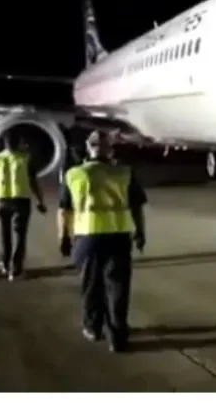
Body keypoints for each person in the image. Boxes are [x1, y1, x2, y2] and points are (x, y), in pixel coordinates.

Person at [57, 130, 147, 353]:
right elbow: (137, 207)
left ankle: (93, 327)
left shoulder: (74, 174)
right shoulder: (124, 173)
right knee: (118, 288)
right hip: (118, 237)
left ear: (89, 147)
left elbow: (63, 211)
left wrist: (63, 238)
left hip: (87, 238)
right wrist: (141, 233)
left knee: (91, 286)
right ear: (110, 149)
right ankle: (117, 337)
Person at [0, 132, 47, 281]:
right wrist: (40, 201)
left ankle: (4, 263)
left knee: (3, 233)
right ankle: (16, 268)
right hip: (21, 200)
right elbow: (33, 182)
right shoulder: (26, 159)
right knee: (20, 234)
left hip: (1, 200)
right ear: (18, 143)